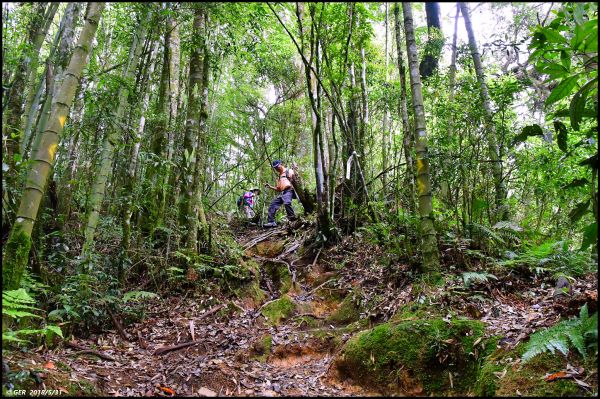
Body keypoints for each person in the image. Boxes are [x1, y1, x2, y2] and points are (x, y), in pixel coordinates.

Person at [263, 160, 297, 227]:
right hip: (283, 193)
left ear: (281, 164)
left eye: (277, 167)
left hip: (289, 190)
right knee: (273, 204)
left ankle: (293, 219)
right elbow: (278, 189)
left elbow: (295, 180)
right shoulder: (280, 176)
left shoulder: (288, 171)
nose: (276, 169)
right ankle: (271, 222)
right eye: (275, 168)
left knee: (287, 203)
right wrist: (270, 186)